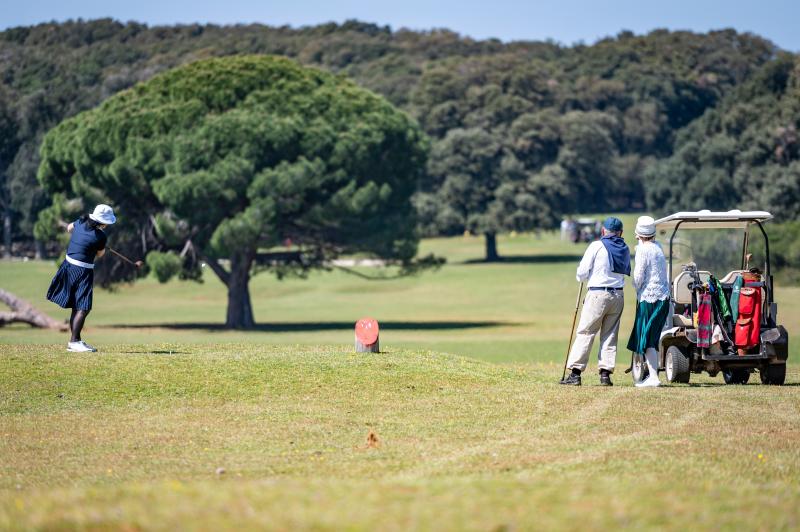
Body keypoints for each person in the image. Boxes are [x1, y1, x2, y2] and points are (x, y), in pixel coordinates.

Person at [560, 216, 631, 386]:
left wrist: (582, 275)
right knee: (610, 335)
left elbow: (582, 273)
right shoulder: (624, 248)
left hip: (598, 294)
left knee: (586, 332)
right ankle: (605, 375)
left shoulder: (596, 246)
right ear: (620, 232)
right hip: (618, 295)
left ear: (603, 231)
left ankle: (575, 374)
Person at [46, 204, 116, 352]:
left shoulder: (81, 221)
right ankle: (74, 342)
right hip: (83, 271)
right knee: (84, 307)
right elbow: (100, 254)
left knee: (77, 306)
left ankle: (76, 340)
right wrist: (101, 245)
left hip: (67, 266)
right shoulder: (101, 236)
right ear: (103, 222)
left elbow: (69, 228)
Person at [627, 215, 671, 388]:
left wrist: (635, 286)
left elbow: (638, 277)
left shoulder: (642, 250)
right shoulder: (657, 246)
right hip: (663, 298)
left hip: (649, 299)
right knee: (651, 338)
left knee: (646, 338)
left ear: (639, 234)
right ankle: (653, 376)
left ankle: (653, 377)